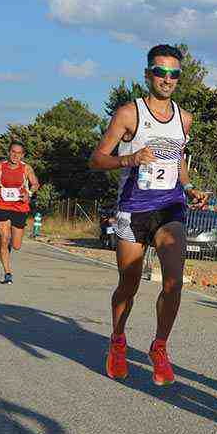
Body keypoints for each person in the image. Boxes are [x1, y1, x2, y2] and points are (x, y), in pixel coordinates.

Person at [88, 44, 209, 386]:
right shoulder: (129, 114)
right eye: (160, 72)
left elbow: (177, 161)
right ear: (147, 75)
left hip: (169, 207)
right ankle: (117, 339)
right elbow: (97, 159)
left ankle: (159, 346)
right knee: (128, 283)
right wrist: (128, 159)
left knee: (174, 280)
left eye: (174, 74)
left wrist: (189, 188)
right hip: (132, 209)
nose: (167, 79)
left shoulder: (185, 119)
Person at [0, 142, 39, 285]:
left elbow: (35, 184)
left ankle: (7, 247)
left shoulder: (26, 168)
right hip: (2, 206)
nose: (15, 155)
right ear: (9, 152)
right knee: (3, 238)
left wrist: (29, 193)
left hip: (20, 207)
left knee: (16, 245)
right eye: (13, 152)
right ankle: (7, 272)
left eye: (19, 153)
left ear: (23, 155)